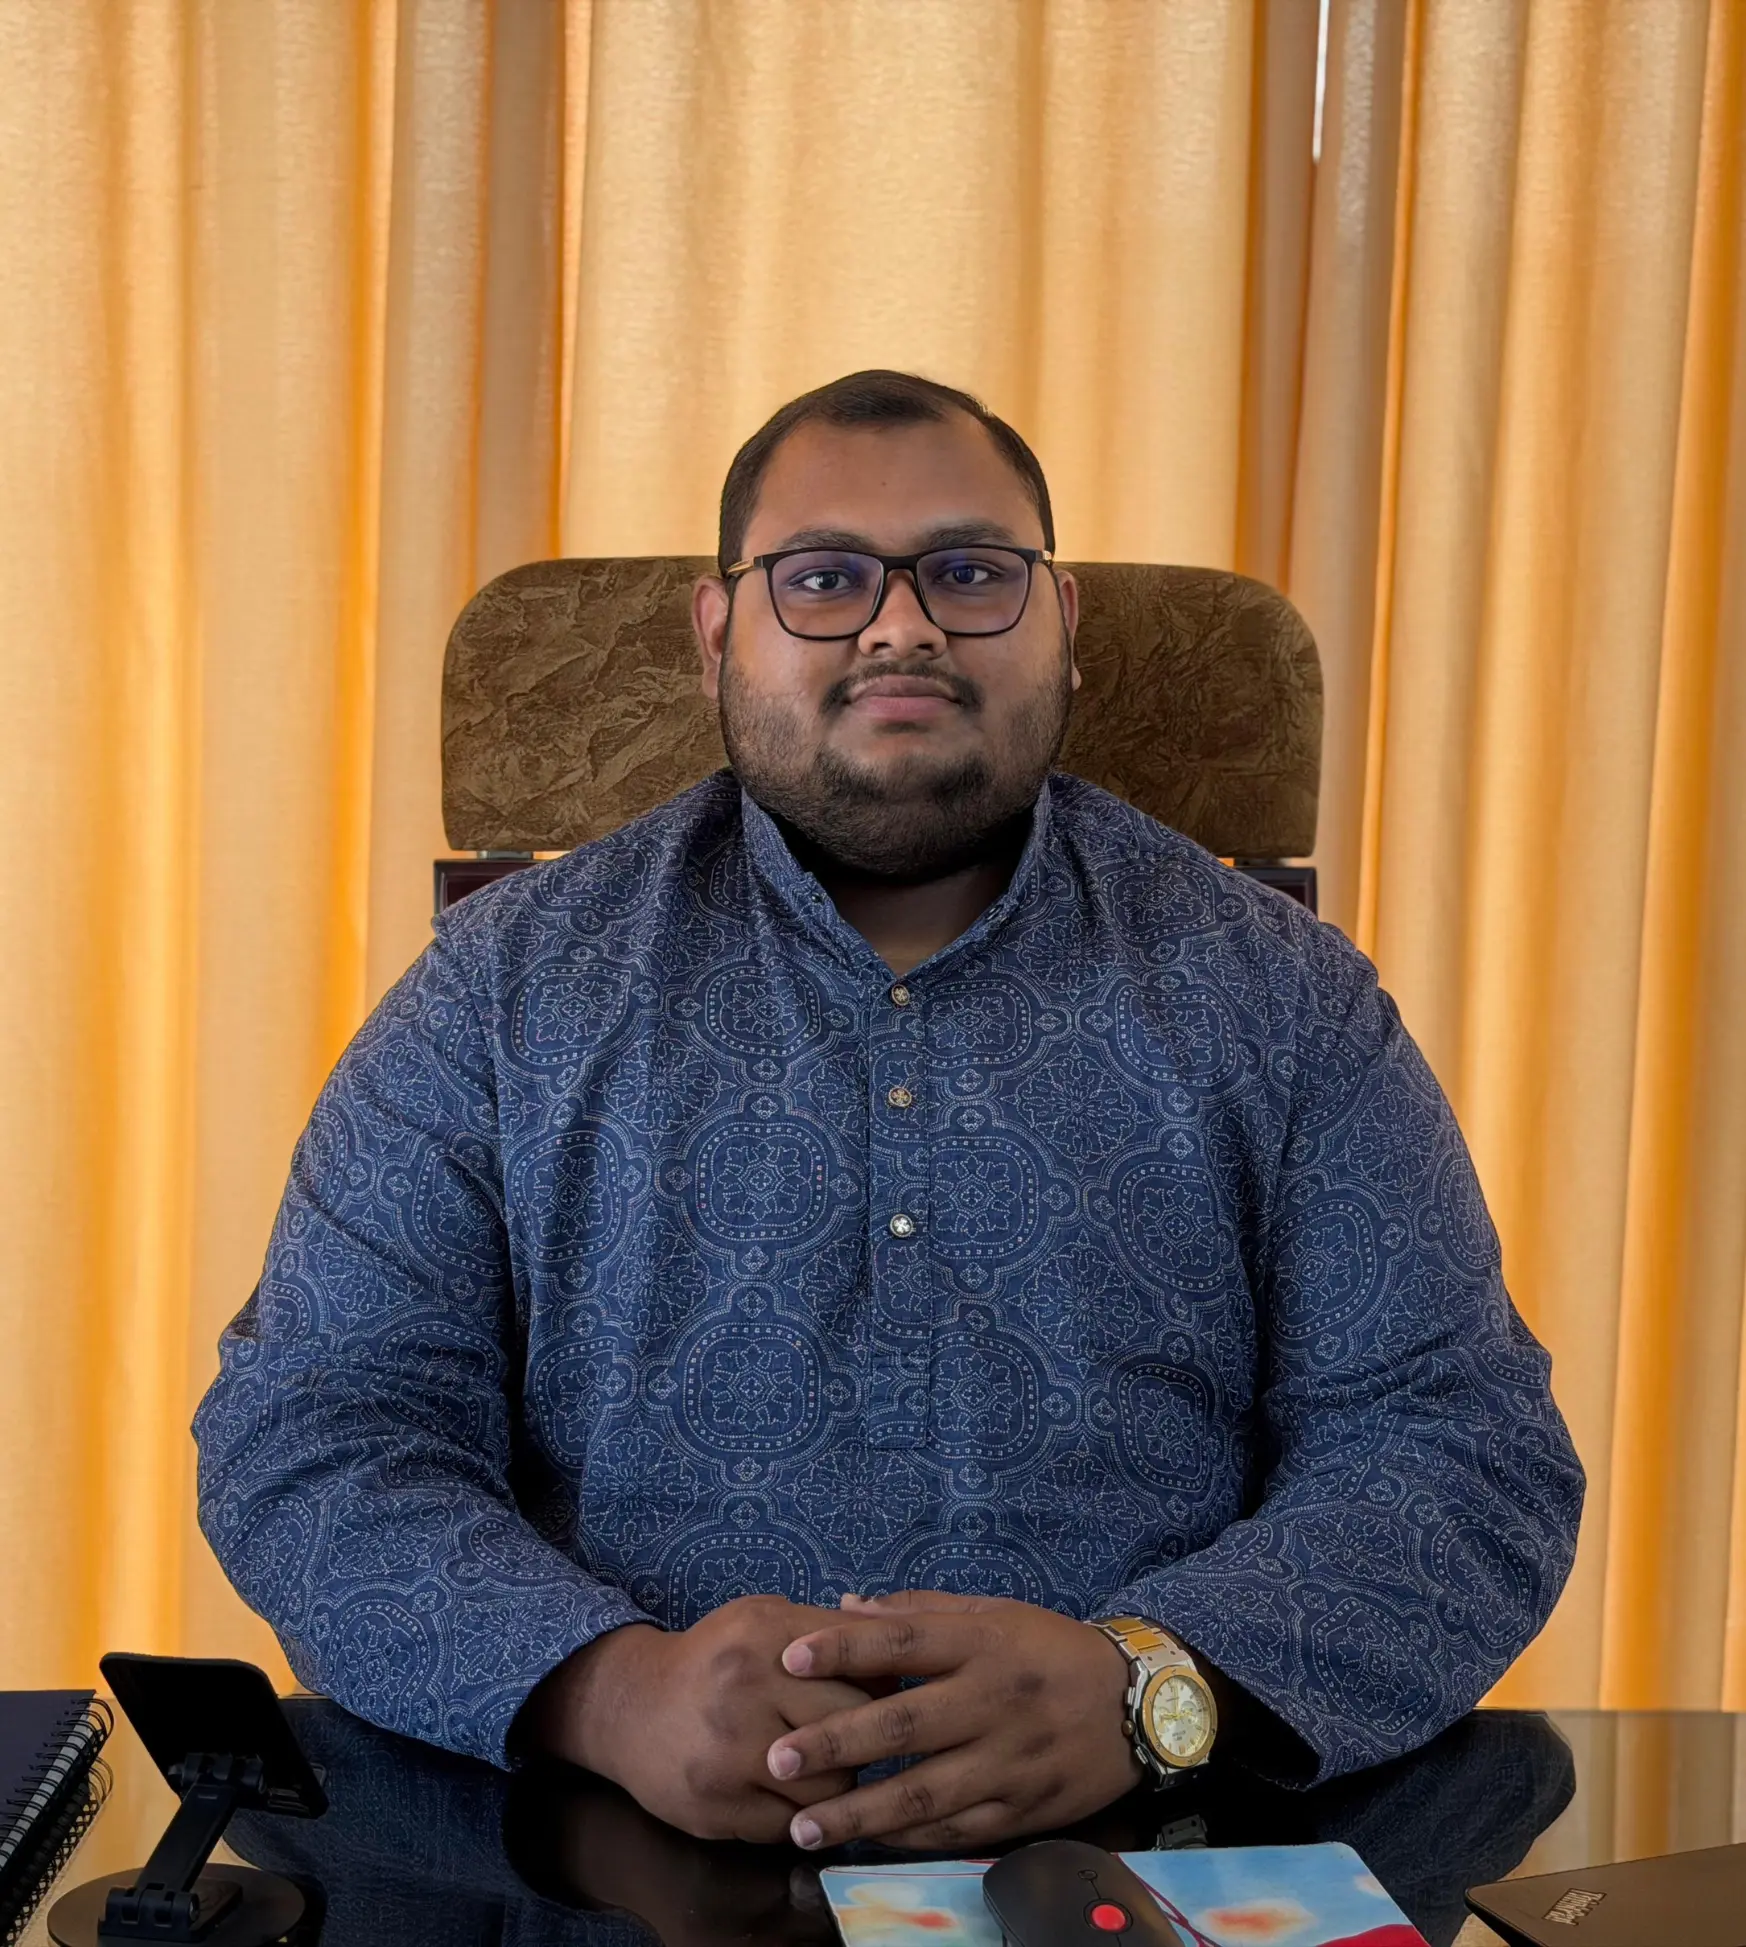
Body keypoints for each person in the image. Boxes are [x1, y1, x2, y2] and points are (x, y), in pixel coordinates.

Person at [194, 370, 1583, 1855]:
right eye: (823, 578)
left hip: (1157, 1857)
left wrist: (1151, 1684)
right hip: (601, 1861)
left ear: (1063, 624)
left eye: (970, 573)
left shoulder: (1282, 997)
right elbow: (312, 1428)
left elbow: (1463, 1452)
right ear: (717, 633)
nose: (900, 626)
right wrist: (607, 1692)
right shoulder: (500, 992)